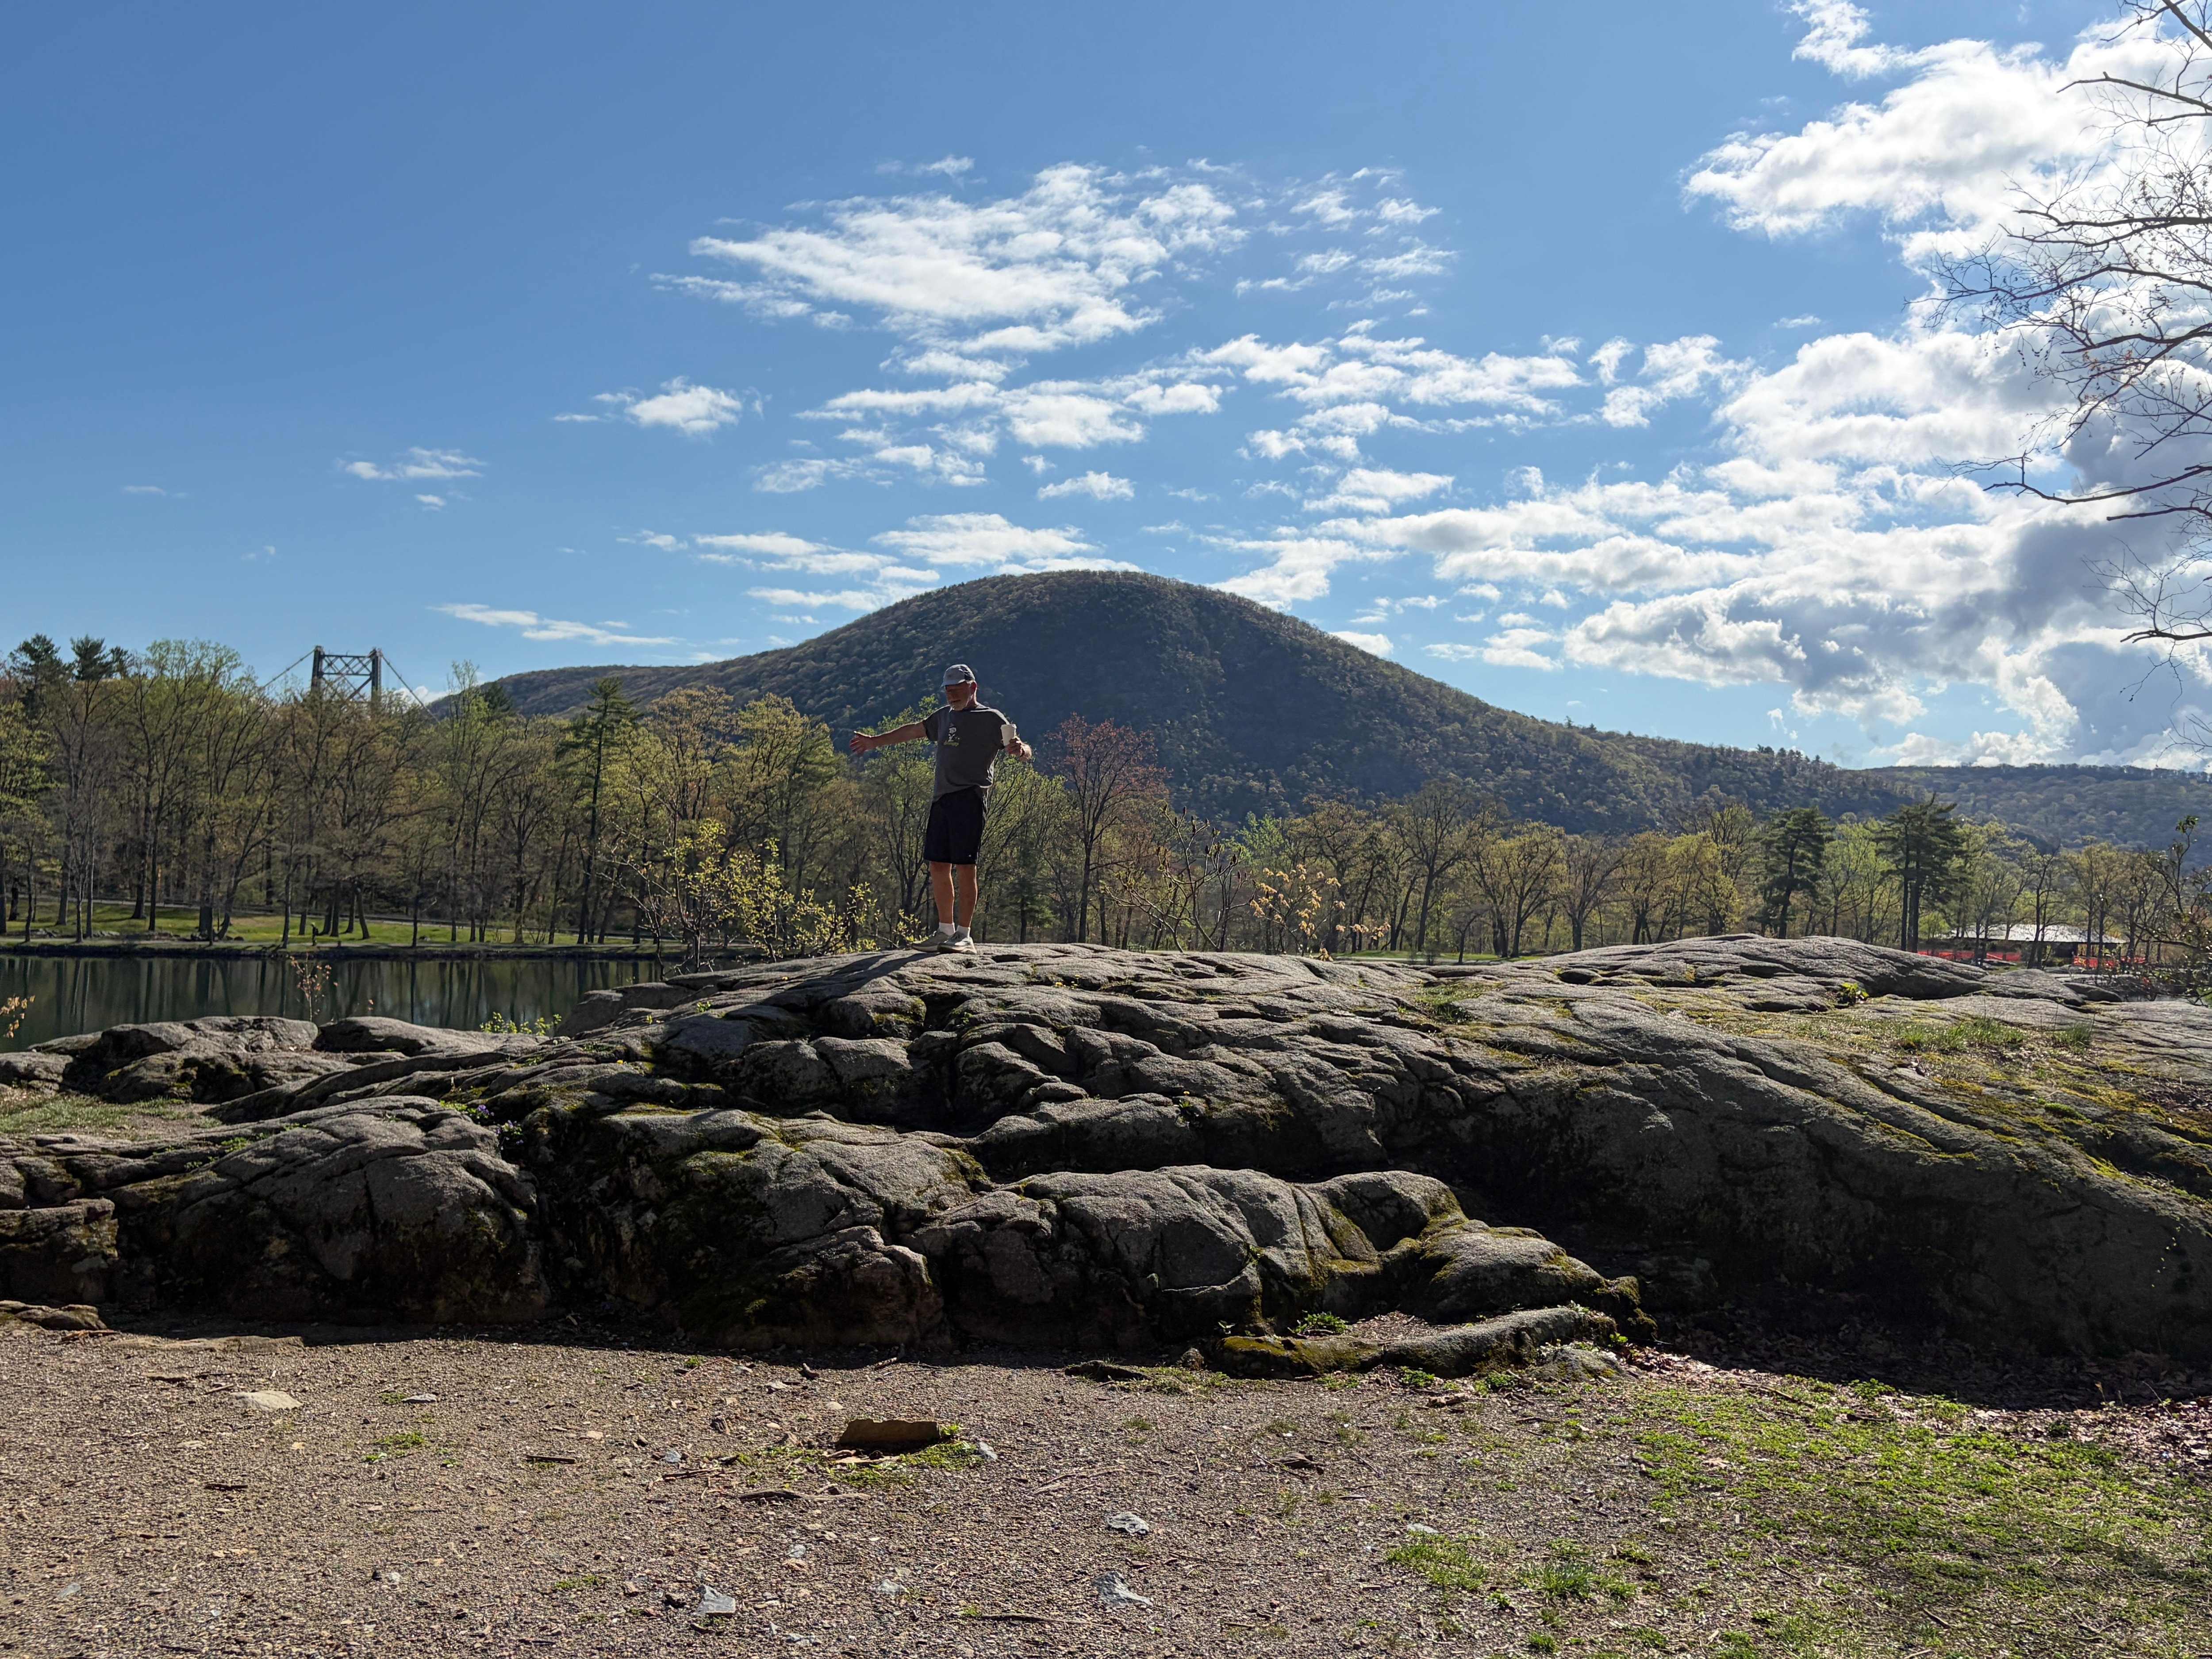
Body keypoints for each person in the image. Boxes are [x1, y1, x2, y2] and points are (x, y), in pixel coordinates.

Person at [849, 664, 1033, 952]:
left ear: (973, 688)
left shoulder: (991, 718)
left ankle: (965, 935)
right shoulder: (943, 717)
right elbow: (913, 730)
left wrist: (1020, 750)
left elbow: (1024, 751)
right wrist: (875, 742)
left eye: (957, 690)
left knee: (965, 868)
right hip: (942, 800)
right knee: (937, 866)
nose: (952, 696)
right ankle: (945, 931)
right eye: (948, 691)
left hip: (969, 799)